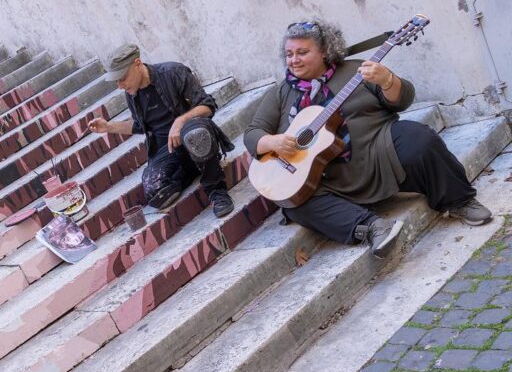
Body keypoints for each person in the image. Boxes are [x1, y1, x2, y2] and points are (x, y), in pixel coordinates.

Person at [245, 19, 492, 258]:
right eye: (289, 54)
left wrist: (387, 80)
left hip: (376, 154)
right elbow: (253, 134)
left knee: (418, 137)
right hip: (324, 179)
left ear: (324, 51)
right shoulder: (280, 93)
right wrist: (272, 142)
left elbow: (402, 99)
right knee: (292, 202)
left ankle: (459, 200)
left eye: (302, 52)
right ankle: (372, 228)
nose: (294, 60)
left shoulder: (357, 71)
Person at [88, 44, 235, 218]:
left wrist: (181, 121)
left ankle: (217, 191)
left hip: (192, 134)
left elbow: (207, 106)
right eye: (116, 81)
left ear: (137, 63)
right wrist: (109, 127)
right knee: (154, 192)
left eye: (123, 78)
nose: (120, 85)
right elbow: (140, 126)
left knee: (194, 134)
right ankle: (195, 166)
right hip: (167, 149)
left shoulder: (173, 72)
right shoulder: (132, 94)